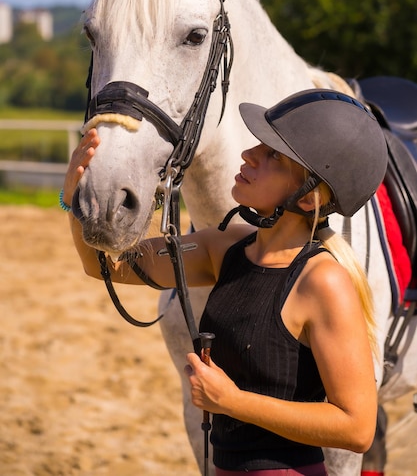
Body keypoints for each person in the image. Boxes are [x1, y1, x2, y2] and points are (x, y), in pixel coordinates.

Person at [63, 89, 388, 476]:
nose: (250, 155)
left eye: (274, 156)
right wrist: (74, 199)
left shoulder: (323, 281)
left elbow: (357, 427)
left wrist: (233, 401)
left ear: (308, 197)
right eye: (259, 145)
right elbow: (108, 267)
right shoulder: (226, 248)